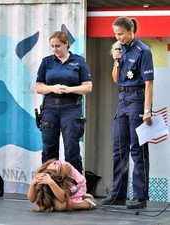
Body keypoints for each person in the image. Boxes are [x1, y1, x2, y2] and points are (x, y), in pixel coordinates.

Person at [101, 17, 154, 209]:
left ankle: (140, 196)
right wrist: (116, 61)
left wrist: (147, 110)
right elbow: (116, 79)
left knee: (137, 150)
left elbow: (149, 84)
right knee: (119, 149)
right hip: (122, 100)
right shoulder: (119, 49)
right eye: (116, 34)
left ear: (131, 30)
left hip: (137, 100)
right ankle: (118, 194)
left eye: (121, 33)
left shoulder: (143, 51)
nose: (118, 37)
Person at [35, 31, 92, 174]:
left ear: (66, 44)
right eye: (52, 46)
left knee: (72, 149)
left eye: (58, 46)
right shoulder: (47, 62)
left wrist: (70, 89)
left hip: (71, 107)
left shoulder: (78, 61)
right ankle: (48, 188)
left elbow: (88, 87)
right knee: (49, 150)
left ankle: (75, 188)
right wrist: (52, 88)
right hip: (50, 108)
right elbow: (38, 87)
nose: (55, 49)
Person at [27, 159, 96, 212]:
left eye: (55, 165)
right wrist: (33, 184)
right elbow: (32, 199)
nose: (54, 163)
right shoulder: (40, 174)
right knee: (43, 204)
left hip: (73, 188)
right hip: (55, 190)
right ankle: (51, 202)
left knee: (60, 206)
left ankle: (84, 203)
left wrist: (50, 182)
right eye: (51, 164)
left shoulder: (65, 170)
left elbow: (62, 198)